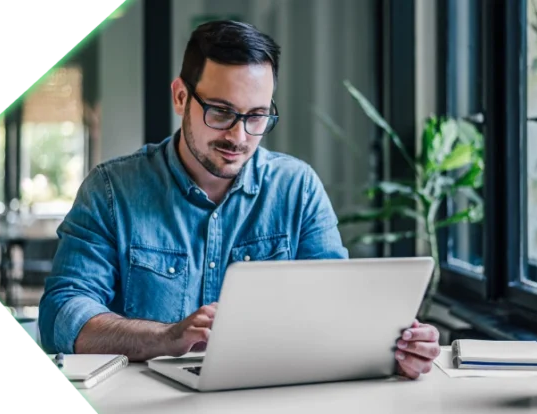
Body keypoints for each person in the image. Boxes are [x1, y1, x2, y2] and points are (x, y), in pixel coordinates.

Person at [38, 20, 440, 380]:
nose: (239, 136)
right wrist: (166, 337)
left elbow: (338, 311)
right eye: (220, 111)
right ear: (181, 98)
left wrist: (397, 350)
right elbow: (62, 314)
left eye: (257, 116)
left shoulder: (296, 188)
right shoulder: (112, 190)